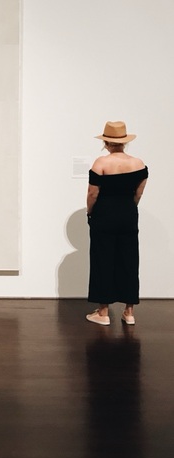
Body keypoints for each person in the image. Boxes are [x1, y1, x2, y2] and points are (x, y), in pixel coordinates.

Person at [85, 121, 148, 326]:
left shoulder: (101, 163)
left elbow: (92, 194)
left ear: (106, 142)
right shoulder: (138, 164)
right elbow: (138, 194)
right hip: (128, 215)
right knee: (129, 260)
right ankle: (129, 312)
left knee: (103, 260)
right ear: (124, 142)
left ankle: (103, 313)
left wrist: (90, 212)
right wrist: (128, 208)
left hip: (104, 215)